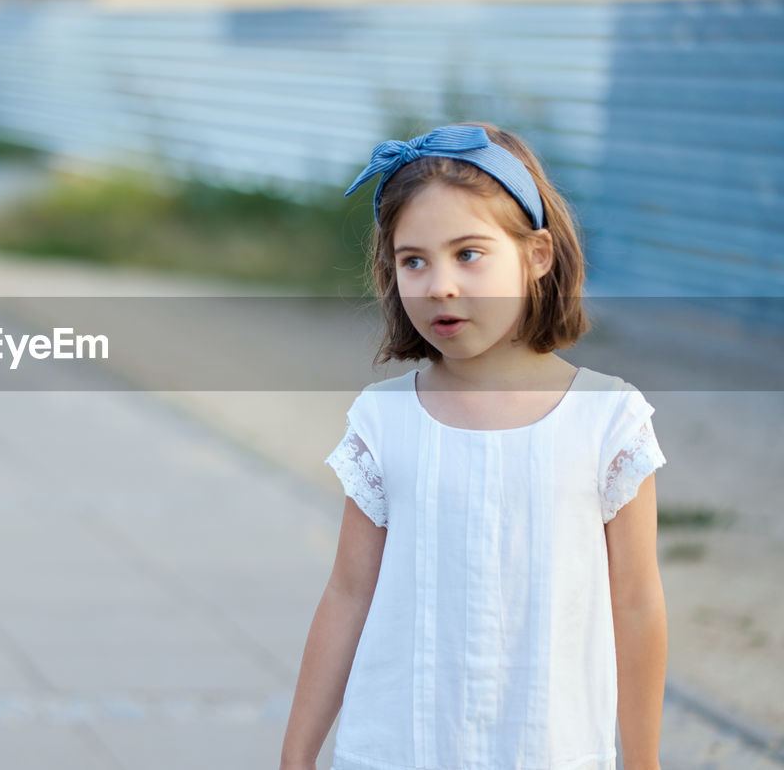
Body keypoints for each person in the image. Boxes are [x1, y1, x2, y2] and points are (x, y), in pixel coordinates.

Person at [280, 124, 667, 769]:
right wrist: (297, 756)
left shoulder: (609, 420)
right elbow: (348, 594)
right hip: (395, 749)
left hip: (547, 750)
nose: (441, 285)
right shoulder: (384, 420)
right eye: (414, 260)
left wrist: (644, 760)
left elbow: (636, 603)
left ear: (536, 255)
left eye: (469, 254)